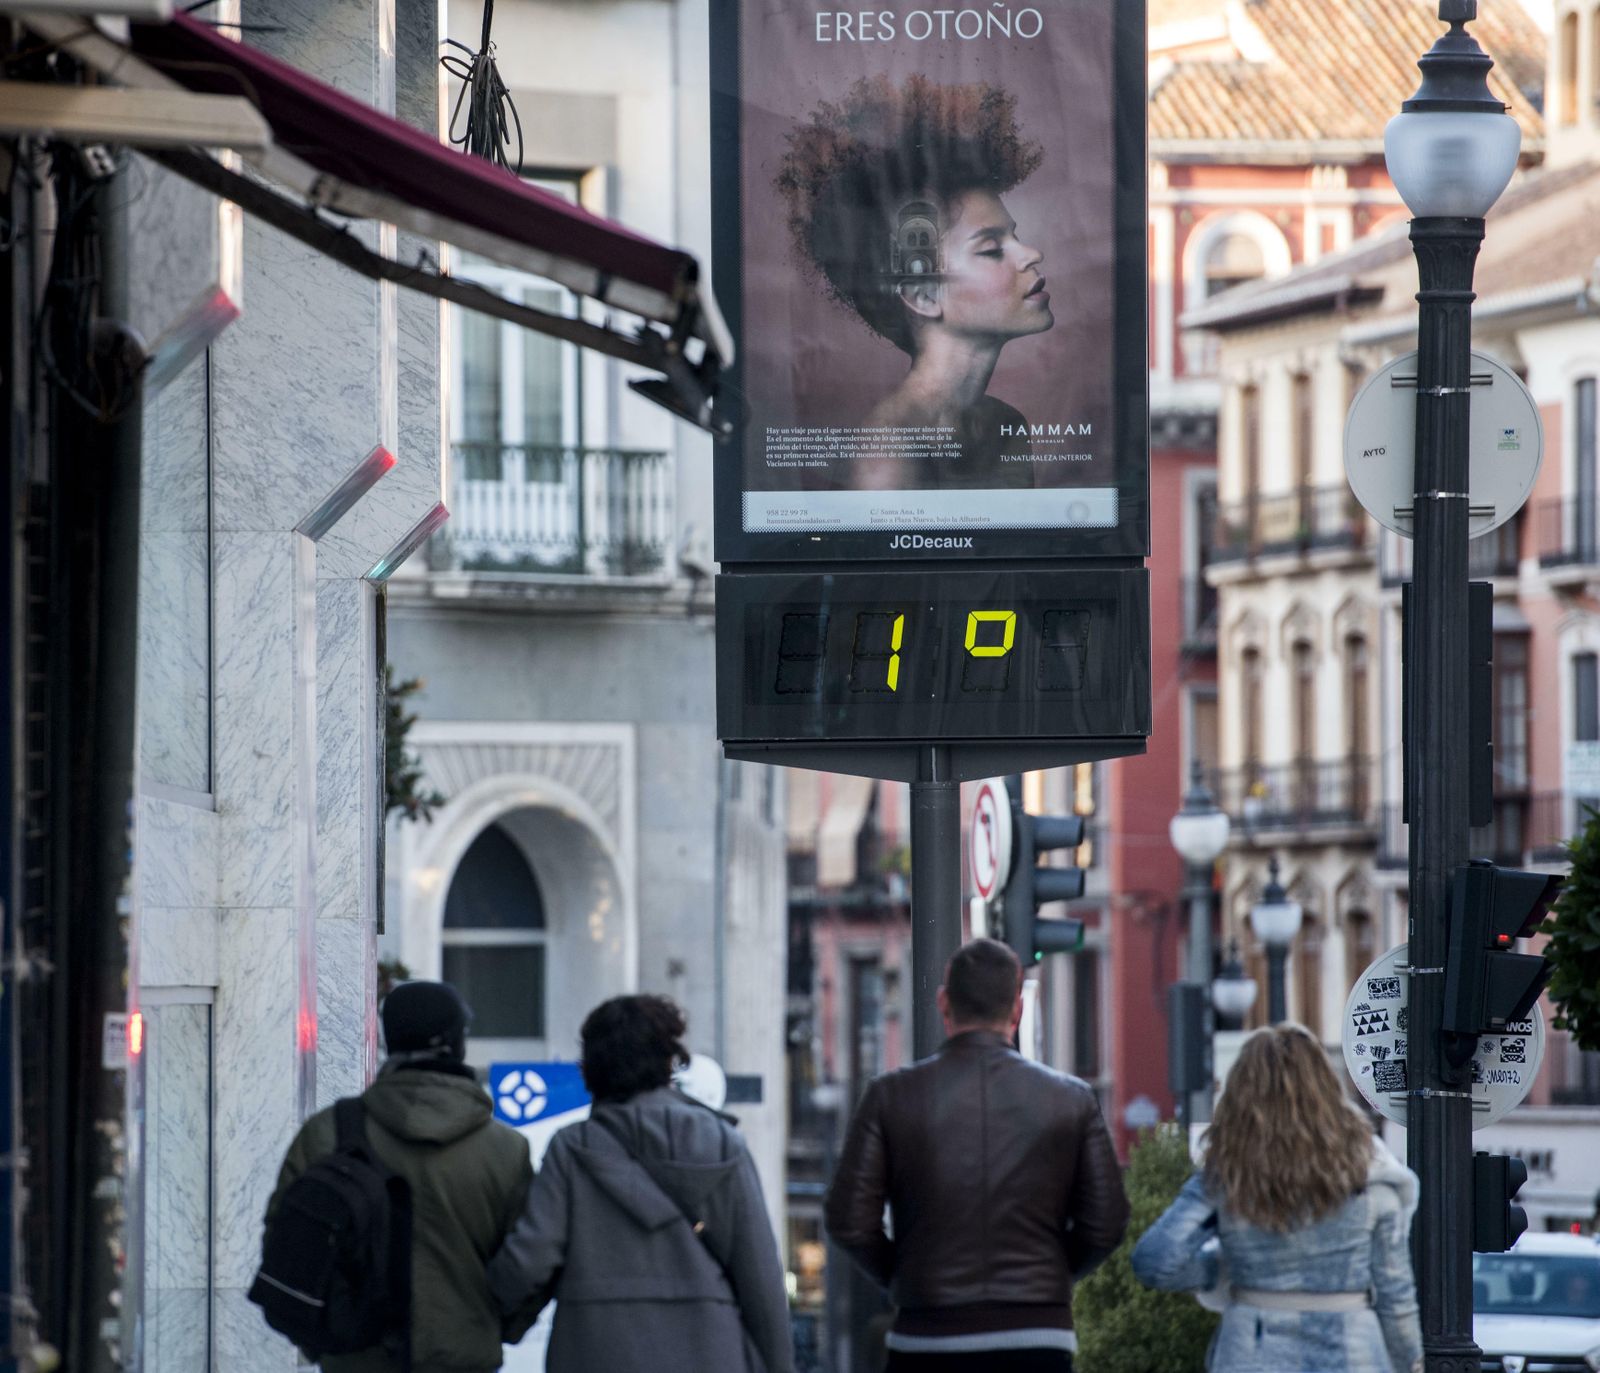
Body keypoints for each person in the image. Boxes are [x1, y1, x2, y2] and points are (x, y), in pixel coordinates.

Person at [825, 937, 1129, 1371]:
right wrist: (1050, 1277)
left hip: (928, 1336)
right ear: (1016, 1010)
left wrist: (906, 1276)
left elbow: (849, 1222)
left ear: (944, 1003)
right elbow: (1106, 1224)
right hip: (1038, 1336)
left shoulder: (890, 1096)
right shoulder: (1071, 1100)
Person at [489, 994, 793, 1373]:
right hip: (709, 1350)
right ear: (668, 1060)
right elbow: (761, 1281)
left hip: (594, 1351)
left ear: (591, 1067)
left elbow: (530, 1260)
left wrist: (495, 1317)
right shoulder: (722, 1145)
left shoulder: (573, 1149)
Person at [777, 76, 1053, 489]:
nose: (1031, 254)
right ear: (923, 295)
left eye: (1014, 236)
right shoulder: (890, 455)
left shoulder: (1006, 426)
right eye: (991, 249)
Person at [263, 980, 532, 1372]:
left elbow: (284, 1247)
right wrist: (491, 1327)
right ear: (455, 1043)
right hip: (464, 1359)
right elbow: (529, 1263)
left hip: (354, 1361)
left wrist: (323, 1339)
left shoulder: (328, 1133)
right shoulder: (506, 1149)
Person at [1131, 1023, 1423, 1373]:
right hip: (1352, 1349)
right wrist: (1409, 1363)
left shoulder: (1226, 1173)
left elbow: (1155, 1260)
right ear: (1327, 1088)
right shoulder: (1370, 1173)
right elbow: (1395, 1296)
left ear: (1241, 1094)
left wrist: (1219, 1270)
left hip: (1252, 1347)